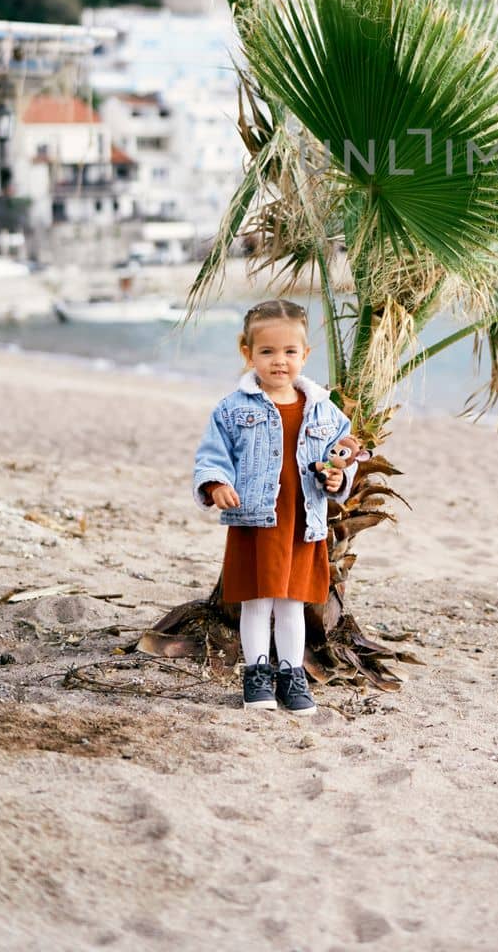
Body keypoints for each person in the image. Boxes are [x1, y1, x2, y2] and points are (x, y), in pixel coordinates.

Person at [193, 298, 364, 714]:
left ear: (305, 355)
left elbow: (343, 455)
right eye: (267, 352)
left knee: (291, 602)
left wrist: (340, 478)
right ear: (247, 352)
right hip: (257, 521)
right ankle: (257, 673)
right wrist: (216, 484)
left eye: (290, 352)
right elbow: (212, 456)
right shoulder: (233, 409)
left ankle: (292, 673)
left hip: (303, 521)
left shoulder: (323, 409)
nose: (279, 362)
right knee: (256, 600)